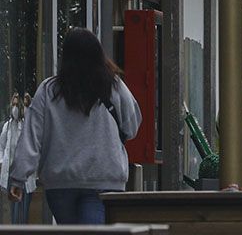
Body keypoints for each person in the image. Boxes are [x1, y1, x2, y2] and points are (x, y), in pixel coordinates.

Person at [7, 28, 141, 225]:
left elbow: (31, 137)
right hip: (102, 179)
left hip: (60, 183)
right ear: (98, 54)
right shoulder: (113, 86)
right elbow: (132, 125)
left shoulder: (48, 90)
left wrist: (18, 177)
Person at [0, 94, 35, 224]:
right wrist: (3, 162)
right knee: (14, 211)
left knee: (24, 211)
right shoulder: (7, 126)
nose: (15, 108)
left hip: (25, 174)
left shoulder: (29, 126)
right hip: (11, 173)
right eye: (13, 105)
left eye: (19, 105)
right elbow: (2, 146)